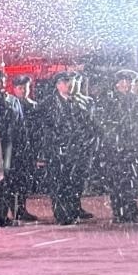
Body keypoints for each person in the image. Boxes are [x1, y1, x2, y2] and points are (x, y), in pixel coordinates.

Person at [40, 71, 97, 225]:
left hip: (78, 150)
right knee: (59, 183)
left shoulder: (80, 102)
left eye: (71, 81)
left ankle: (73, 210)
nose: (70, 85)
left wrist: (85, 145)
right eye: (66, 82)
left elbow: (89, 126)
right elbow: (44, 129)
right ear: (58, 85)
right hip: (57, 151)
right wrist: (54, 145)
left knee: (76, 183)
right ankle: (62, 214)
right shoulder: (48, 104)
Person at [98, 70, 138, 223]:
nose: (125, 85)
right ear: (116, 84)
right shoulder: (108, 101)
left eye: (128, 82)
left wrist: (136, 134)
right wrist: (118, 136)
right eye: (122, 82)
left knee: (131, 179)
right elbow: (103, 124)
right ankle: (119, 209)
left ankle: (129, 208)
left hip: (132, 147)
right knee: (116, 180)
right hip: (115, 148)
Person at [0, 68, 26, 226]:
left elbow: (20, 124)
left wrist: (22, 145)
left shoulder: (13, 100)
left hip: (10, 145)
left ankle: (5, 213)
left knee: (8, 181)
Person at [6, 75, 46, 222]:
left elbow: (38, 130)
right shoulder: (10, 104)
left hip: (28, 148)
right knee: (13, 181)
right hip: (14, 149)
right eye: (20, 88)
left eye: (25, 87)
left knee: (24, 181)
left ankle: (21, 208)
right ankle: (14, 209)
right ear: (14, 89)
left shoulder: (34, 106)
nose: (23, 91)